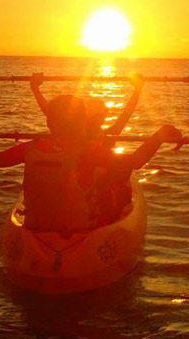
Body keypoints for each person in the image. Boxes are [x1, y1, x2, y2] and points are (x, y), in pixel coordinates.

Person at [0, 94, 181, 233]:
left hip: (35, 228)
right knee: (114, 191)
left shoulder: (30, 148)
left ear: (49, 122)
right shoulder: (89, 151)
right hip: (80, 230)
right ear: (83, 123)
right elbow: (135, 161)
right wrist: (160, 135)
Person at [29, 72, 145, 225]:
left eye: (101, 114)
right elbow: (50, 112)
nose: (99, 117)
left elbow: (126, 114)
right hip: (84, 186)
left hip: (97, 186)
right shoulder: (75, 135)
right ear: (84, 116)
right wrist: (35, 89)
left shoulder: (108, 134)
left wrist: (137, 90)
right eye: (96, 113)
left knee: (110, 176)